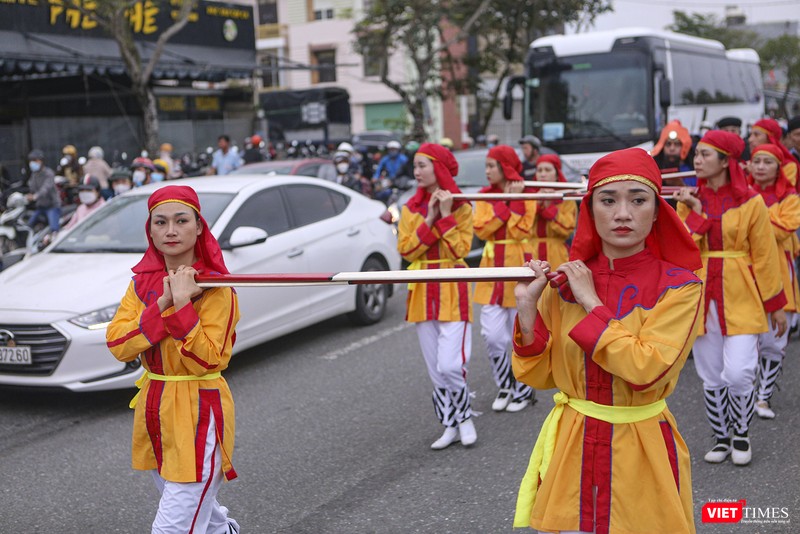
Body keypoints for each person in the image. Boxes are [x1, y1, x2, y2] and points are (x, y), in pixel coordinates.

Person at [512, 147, 703, 533]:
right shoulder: (565, 282)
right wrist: (527, 309)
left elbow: (645, 368)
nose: (622, 214)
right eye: (608, 200)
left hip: (641, 448)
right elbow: (542, 376)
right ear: (590, 208)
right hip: (572, 445)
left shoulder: (681, 287)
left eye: (638, 199)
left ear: (657, 208)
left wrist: (591, 301)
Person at [106, 185, 241, 533]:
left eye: (181, 220)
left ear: (199, 227)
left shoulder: (218, 289)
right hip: (154, 407)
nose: (170, 230)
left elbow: (208, 360)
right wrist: (164, 303)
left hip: (199, 409)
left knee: (172, 526)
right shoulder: (140, 286)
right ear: (149, 231)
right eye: (160, 222)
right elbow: (119, 344)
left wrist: (184, 306)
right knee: (199, 514)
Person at [675, 130, 787, 466]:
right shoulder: (688, 198)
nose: (697, 160)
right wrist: (695, 211)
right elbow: (681, 251)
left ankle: (741, 432)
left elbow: (766, 255)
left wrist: (776, 306)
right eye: (696, 154)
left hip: (740, 291)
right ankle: (721, 437)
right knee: (710, 373)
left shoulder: (751, 201)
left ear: (726, 161)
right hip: (701, 293)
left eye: (706, 155)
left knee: (738, 372)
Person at [397, 142, 476, 450]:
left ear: (438, 169)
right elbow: (405, 250)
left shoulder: (463, 207)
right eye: (415, 166)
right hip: (421, 289)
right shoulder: (409, 208)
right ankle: (450, 425)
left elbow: (461, 250)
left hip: (452, 287)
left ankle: (466, 418)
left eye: (422, 165)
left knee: (451, 365)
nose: (416, 172)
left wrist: (445, 215)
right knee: (435, 369)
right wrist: (430, 219)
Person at [473, 145, 537, 413]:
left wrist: (510, 205)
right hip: (491, 272)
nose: (487, 171)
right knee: (492, 335)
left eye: (492, 166)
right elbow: (482, 229)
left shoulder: (529, 195)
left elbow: (522, 229)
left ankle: (524, 388)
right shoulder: (483, 196)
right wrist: (507, 204)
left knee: (520, 334)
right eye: (486, 166)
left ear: (505, 167)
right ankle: (505, 384)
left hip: (517, 269)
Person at [748, 143, 800, 420]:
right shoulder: (741, 195)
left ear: (779, 167)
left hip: (780, 272)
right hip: (746, 273)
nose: (760, 167)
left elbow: (782, 231)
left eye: (767, 162)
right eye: (756, 161)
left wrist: (751, 216)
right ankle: (745, 396)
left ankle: (763, 398)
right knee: (746, 338)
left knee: (774, 341)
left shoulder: (790, 197)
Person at [530, 154, 577, 268]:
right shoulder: (528, 197)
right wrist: (536, 204)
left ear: (557, 174)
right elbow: (520, 227)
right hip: (531, 253)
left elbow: (567, 229)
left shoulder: (567, 199)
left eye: (547, 170)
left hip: (557, 253)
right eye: (539, 170)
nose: (542, 174)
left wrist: (549, 207)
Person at [748, 118, 798, 188]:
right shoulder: (747, 164)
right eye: (750, 135)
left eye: (756, 135)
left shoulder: (788, 166)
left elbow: (785, 192)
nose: (750, 139)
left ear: (770, 138)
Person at [25, 149, 61, 235]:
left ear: (41, 161)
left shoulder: (49, 173)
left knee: (54, 229)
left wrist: (35, 196)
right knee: (29, 225)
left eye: (34, 160)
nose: (32, 163)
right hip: (40, 206)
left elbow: (45, 189)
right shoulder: (34, 174)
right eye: (31, 161)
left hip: (52, 206)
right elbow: (31, 187)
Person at [650, 120, 695, 184]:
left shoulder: (692, 171)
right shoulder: (653, 169)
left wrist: (680, 184)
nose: (672, 148)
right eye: (668, 144)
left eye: (677, 144)